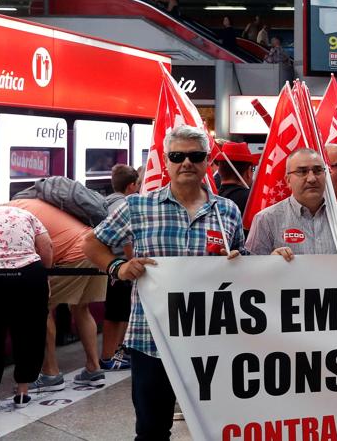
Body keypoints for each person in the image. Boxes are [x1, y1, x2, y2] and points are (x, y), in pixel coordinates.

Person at [84, 125, 246, 440]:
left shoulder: (226, 210)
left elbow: (242, 255)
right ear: (167, 161)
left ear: (207, 161)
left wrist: (243, 259)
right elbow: (91, 243)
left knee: (216, 426)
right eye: (177, 156)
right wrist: (117, 266)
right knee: (151, 430)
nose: (187, 162)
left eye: (195, 156)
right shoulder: (138, 207)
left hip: (211, 340)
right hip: (151, 339)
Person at [12, 197, 106, 390]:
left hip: (75, 255)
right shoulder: (25, 204)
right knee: (81, 308)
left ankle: (50, 373)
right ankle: (94, 369)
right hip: (96, 249)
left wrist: (42, 277)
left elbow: (41, 248)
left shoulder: (8, 214)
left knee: (40, 309)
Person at [245, 148, 337, 257]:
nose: (311, 178)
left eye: (317, 171)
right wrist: (268, 262)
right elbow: (252, 275)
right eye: (302, 172)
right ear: (288, 180)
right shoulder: (266, 220)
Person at [0, 201, 53, 409]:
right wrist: (45, 274)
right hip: (28, 275)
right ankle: (22, 393)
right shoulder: (23, 213)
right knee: (29, 332)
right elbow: (46, 246)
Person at [100, 164, 139, 371]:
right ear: (131, 185)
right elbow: (127, 238)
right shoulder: (124, 205)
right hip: (120, 266)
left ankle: (114, 353)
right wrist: (133, 260)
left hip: (110, 264)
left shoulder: (106, 202)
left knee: (118, 312)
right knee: (117, 314)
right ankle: (109, 356)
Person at [214, 141, 257, 213]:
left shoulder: (211, 199)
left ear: (220, 171)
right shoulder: (252, 200)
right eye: (252, 169)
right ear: (248, 172)